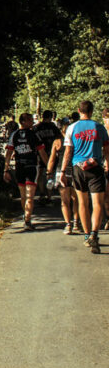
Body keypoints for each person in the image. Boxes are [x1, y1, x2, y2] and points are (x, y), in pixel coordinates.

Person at [61, 100, 109, 253]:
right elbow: (107, 149)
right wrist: (107, 163)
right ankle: (94, 234)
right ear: (92, 111)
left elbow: (68, 152)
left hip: (78, 168)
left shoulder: (71, 128)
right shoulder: (99, 127)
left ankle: (87, 235)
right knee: (98, 203)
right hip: (96, 168)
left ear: (78, 110)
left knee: (82, 202)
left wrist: (62, 171)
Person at [4, 113, 49, 230]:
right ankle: (27, 220)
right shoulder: (34, 135)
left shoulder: (14, 135)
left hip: (21, 167)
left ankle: (27, 218)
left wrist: (6, 168)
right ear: (23, 121)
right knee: (28, 196)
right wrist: (49, 166)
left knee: (25, 196)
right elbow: (42, 152)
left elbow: (8, 153)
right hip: (30, 167)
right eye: (29, 120)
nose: (32, 123)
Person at [46, 117, 75, 233]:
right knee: (75, 199)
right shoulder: (76, 140)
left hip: (61, 171)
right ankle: (76, 222)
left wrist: (49, 172)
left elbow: (52, 159)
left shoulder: (57, 142)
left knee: (65, 200)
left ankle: (68, 224)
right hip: (74, 170)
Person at [34, 110, 62, 206]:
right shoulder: (53, 127)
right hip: (52, 153)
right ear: (50, 117)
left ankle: (42, 194)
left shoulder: (37, 127)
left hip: (40, 153)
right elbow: (59, 138)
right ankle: (49, 196)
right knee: (50, 174)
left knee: (40, 173)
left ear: (42, 116)